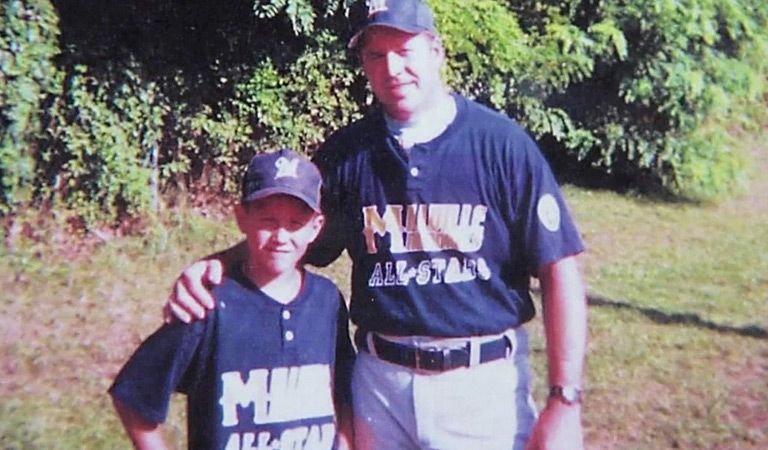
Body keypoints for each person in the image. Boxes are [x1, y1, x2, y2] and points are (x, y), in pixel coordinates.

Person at [165, 0, 588, 449]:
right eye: (376, 55)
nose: (392, 68)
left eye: (404, 51)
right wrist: (219, 264)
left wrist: (565, 400)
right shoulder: (349, 154)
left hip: (479, 385)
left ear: (436, 52)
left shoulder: (500, 145)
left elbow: (559, 269)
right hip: (380, 385)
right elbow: (292, 235)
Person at [109, 148, 356, 450]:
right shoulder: (208, 302)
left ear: (316, 227)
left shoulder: (327, 301)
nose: (281, 236)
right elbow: (134, 395)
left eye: (295, 223)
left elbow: (344, 394)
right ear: (242, 218)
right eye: (268, 221)